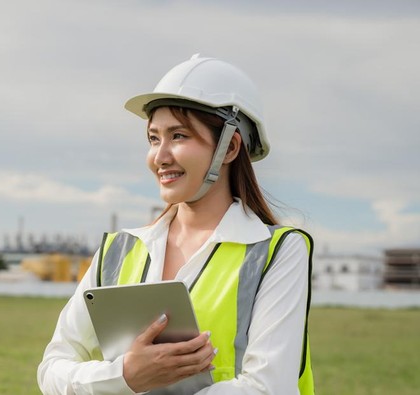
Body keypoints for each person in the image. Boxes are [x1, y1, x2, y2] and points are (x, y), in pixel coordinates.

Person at [37, 54, 314, 395]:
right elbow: (52, 370)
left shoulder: (277, 252)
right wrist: (124, 375)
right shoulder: (119, 250)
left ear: (229, 148)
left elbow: (268, 388)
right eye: (154, 139)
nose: (160, 156)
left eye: (178, 136)